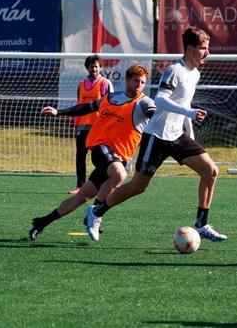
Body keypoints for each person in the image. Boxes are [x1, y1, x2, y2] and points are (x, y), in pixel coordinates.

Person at [86, 26, 227, 242]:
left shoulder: (195, 73)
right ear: (190, 49)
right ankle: (96, 212)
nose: (207, 53)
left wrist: (190, 134)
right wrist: (189, 112)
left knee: (211, 171)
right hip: (156, 137)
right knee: (138, 186)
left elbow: (184, 102)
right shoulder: (174, 70)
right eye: (203, 48)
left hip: (177, 136)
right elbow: (160, 99)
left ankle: (201, 224)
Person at [29, 64, 155, 240]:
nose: (139, 85)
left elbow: (154, 115)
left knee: (81, 196)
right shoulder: (110, 98)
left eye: (142, 82)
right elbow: (85, 108)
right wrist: (59, 112)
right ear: (127, 80)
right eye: (136, 81)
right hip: (100, 147)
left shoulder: (144, 103)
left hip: (120, 156)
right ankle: (95, 214)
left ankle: (42, 222)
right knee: (119, 174)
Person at [68, 55, 113, 194]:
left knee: (100, 157)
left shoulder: (105, 83)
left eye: (96, 66)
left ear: (100, 67)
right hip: (82, 125)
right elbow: (79, 106)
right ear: (87, 68)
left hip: (99, 127)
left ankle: (102, 184)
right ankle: (80, 185)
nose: (94, 68)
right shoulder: (81, 84)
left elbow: (110, 106)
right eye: (91, 66)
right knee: (80, 155)